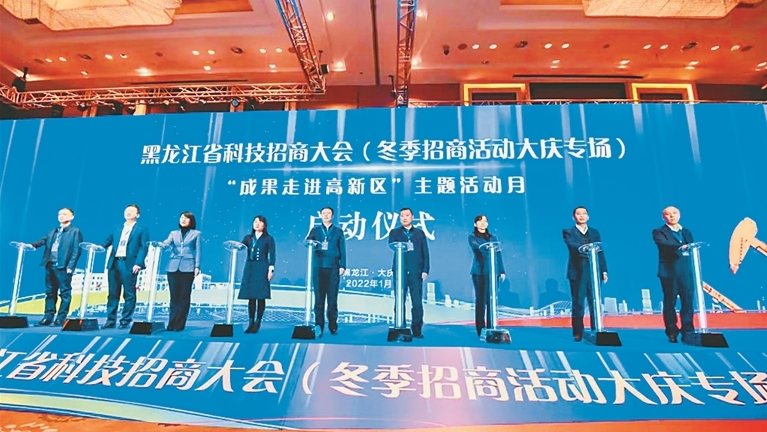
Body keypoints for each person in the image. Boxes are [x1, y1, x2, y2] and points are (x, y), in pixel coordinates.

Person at [30, 208, 83, 327]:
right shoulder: (53, 231)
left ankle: (61, 317)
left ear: (72, 217)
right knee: (50, 292)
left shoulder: (75, 231)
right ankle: (48, 317)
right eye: (59, 214)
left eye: (64, 214)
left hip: (63, 266)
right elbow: (43, 241)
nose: (61, 216)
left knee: (64, 292)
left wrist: (71, 266)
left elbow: (76, 250)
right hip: (50, 264)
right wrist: (31, 245)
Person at [562, 206, 608, 342]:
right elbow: (572, 246)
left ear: (588, 216)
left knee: (595, 302)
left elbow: (600, 252)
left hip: (593, 269)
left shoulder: (594, 232)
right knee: (578, 303)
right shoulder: (568, 232)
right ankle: (578, 332)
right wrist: (587, 248)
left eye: (584, 214)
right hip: (577, 271)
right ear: (573, 217)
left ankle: (596, 329)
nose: (581, 216)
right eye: (578, 214)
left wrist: (604, 270)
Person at [101, 204, 150, 329]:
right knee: (112, 293)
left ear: (137, 215)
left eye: (132, 211)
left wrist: (138, 263)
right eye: (127, 211)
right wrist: (100, 247)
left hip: (129, 264)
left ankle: (125, 320)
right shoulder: (117, 228)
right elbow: (108, 241)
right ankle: (110, 320)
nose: (128, 213)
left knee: (129, 293)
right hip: (114, 262)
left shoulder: (142, 229)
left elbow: (143, 247)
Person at [652, 206, 695, 343]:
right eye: (668, 214)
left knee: (687, 302)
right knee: (670, 302)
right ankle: (672, 331)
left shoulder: (686, 231)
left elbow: (692, 246)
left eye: (674, 213)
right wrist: (681, 247)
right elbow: (664, 245)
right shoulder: (659, 232)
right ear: (663, 217)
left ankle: (688, 330)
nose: (672, 216)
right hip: (669, 272)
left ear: (679, 215)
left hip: (686, 272)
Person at [388, 207, 430, 338]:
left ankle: (417, 329)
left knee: (416, 302)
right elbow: (392, 245)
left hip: (416, 271)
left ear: (412, 217)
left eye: (407, 215)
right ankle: (400, 326)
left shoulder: (419, 233)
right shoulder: (394, 233)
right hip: (400, 271)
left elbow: (425, 252)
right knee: (399, 301)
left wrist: (425, 269)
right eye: (402, 216)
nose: (404, 218)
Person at [306, 207, 346, 335]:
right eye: (323, 213)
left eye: (328, 213)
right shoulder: (315, 230)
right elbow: (307, 242)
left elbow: (342, 249)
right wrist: (312, 244)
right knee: (319, 299)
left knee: (332, 299)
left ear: (332, 215)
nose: (326, 215)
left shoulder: (338, 231)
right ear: (320, 215)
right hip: (318, 267)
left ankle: (333, 325)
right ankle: (319, 326)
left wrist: (343, 265)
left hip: (333, 267)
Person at [161, 211, 201, 331]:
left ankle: (180, 324)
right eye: (181, 218)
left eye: (186, 218)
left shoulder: (196, 234)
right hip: (173, 266)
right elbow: (166, 243)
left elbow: (198, 251)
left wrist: (197, 266)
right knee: (174, 296)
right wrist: (163, 245)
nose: (183, 220)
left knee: (184, 296)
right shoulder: (173, 233)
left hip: (188, 267)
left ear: (191, 221)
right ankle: (171, 323)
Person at [469, 215, 506, 337]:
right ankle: (480, 329)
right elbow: (478, 249)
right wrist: (489, 248)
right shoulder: (472, 237)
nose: (483, 223)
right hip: (479, 272)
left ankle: (491, 327)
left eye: (485, 221)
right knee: (481, 301)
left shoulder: (493, 238)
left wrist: (501, 270)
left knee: (491, 300)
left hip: (492, 272)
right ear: (475, 224)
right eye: (480, 221)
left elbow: (498, 254)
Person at [238, 215, 276, 333]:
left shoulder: (268, 238)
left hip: (262, 267)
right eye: (255, 222)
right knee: (251, 296)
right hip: (250, 267)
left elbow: (272, 254)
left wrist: (271, 269)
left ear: (264, 225)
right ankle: (250, 322)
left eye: (260, 222)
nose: (257, 224)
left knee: (260, 296)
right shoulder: (248, 238)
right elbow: (241, 247)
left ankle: (258, 322)